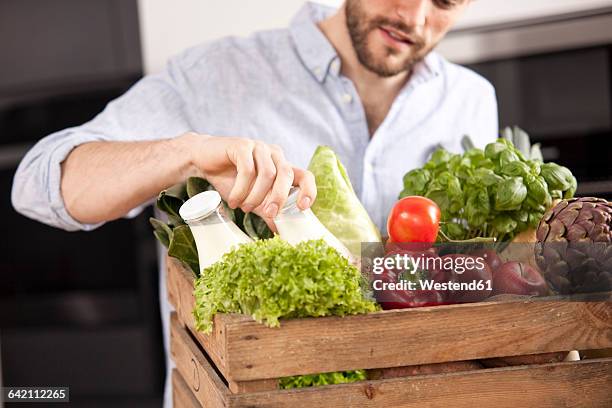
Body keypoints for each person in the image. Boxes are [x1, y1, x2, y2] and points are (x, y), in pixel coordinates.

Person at [12, 0, 497, 405]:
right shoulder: (216, 74)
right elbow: (40, 184)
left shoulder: (471, 101)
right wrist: (185, 154)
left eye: (445, 0)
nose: (413, 16)